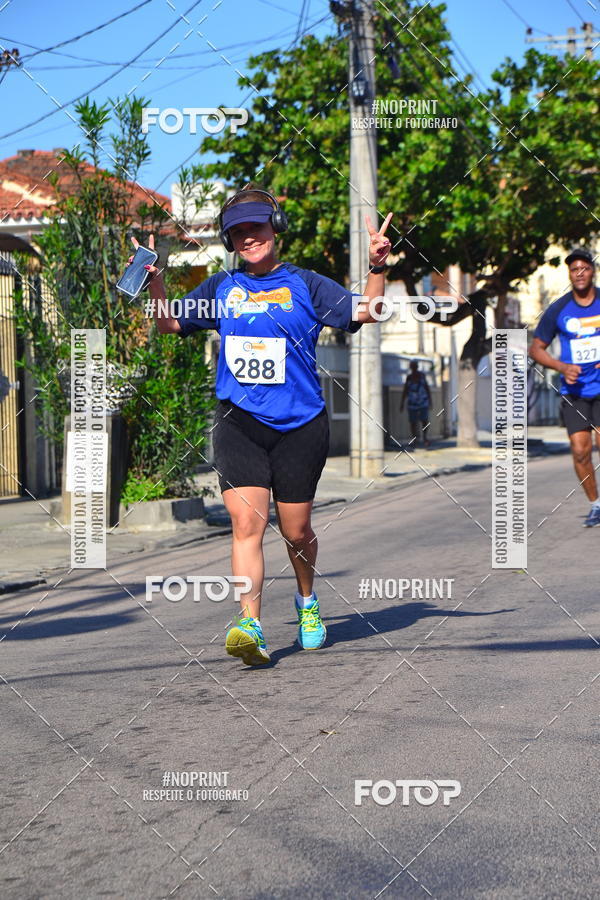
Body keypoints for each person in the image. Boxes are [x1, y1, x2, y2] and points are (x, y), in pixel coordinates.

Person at [134, 185, 392, 665]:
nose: (249, 237)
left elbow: (368, 312)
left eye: (256, 226)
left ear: (275, 228)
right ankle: (249, 624)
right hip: (240, 422)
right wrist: (154, 281)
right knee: (246, 523)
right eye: (238, 232)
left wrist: (377, 267)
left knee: (295, 532)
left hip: (300, 426)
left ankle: (307, 601)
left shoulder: (308, 285)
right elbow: (170, 324)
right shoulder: (220, 288)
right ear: (231, 242)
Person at [529, 247, 600, 527]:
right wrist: (561, 367)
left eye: (584, 268)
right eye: (574, 269)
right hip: (574, 392)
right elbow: (536, 349)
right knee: (580, 450)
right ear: (569, 274)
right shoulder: (559, 309)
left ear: (592, 271)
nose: (579, 273)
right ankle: (596, 504)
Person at [400, 359, 432, 448]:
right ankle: (415, 439)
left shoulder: (422, 376)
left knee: (424, 420)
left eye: (414, 366)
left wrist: (430, 401)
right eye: (412, 366)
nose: (413, 368)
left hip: (423, 402)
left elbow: (427, 388)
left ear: (417, 367)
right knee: (413, 421)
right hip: (412, 402)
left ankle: (425, 437)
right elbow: (405, 390)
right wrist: (402, 402)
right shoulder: (409, 377)